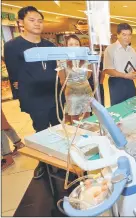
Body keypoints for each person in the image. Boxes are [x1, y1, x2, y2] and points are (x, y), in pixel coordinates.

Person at [4, 6, 63, 179]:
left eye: (40, 20)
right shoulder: (12, 46)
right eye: (32, 20)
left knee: (59, 129)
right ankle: (44, 163)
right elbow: (14, 74)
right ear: (21, 22)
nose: (37, 24)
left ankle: (60, 159)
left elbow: (55, 69)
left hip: (54, 93)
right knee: (41, 130)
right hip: (34, 96)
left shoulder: (49, 45)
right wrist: (22, 97)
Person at [57, 35, 93, 123]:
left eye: (77, 44)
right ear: (66, 46)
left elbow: (88, 75)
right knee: (74, 116)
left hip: (86, 89)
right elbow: (62, 80)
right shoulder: (62, 60)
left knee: (87, 114)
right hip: (71, 91)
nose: (74, 46)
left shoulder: (85, 58)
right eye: (71, 44)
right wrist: (69, 89)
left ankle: (87, 132)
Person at [103, 23, 136, 106]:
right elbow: (107, 69)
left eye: (129, 35)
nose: (127, 38)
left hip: (130, 82)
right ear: (118, 35)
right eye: (124, 35)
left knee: (132, 105)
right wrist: (124, 75)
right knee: (118, 107)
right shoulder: (110, 49)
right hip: (116, 83)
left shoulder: (132, 50)